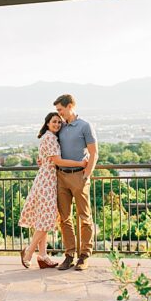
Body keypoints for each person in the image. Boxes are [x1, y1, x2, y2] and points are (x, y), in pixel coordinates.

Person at [18, 112, 88, 269]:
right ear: (47, 123)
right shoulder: (50, 138)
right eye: (54, 122)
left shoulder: (49, 137)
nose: (57, 124)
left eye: (59, 122)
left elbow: (45, 159)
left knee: (43, 219)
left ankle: (42, 256)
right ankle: (28, 252)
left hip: (47, 179)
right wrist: (80, 163)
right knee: (46, 220)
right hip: (47, 182)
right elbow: (58, 161)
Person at [52, 94, 98, 272]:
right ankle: (69, 255)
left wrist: (86, 175)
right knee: (64, 218)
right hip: (61, 177)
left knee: (84, 218)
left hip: (79, 177)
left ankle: (84, 256)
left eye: (60, 109)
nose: (59, 113)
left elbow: (94, 153)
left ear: (70, 106)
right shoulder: (60, 127)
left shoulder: (85, 126)